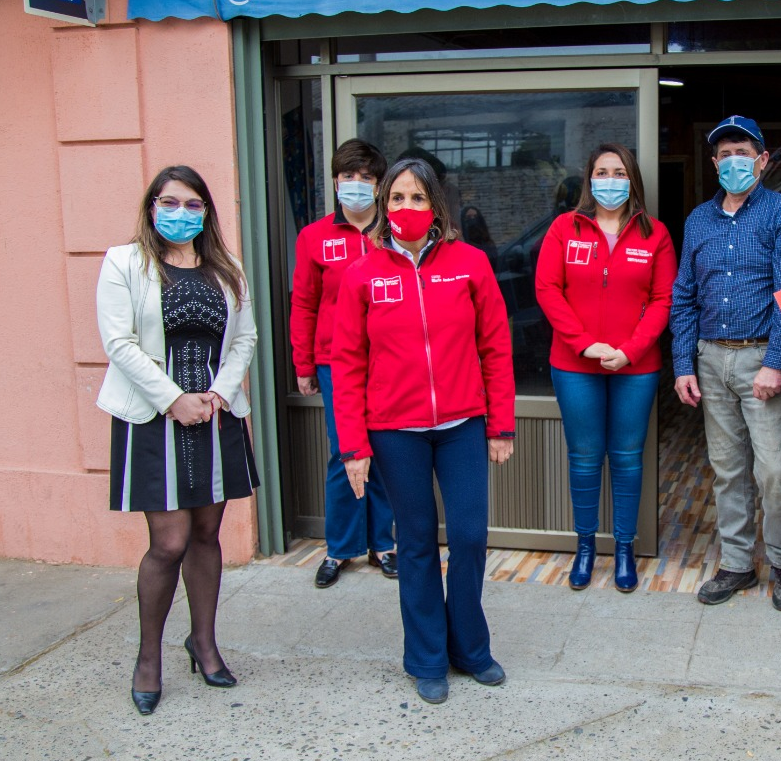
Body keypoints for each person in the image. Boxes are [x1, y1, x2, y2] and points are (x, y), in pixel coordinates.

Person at [332, 158, 515, 705]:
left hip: (462, 425)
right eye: (397, 198)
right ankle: (427, 657)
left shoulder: (470, 263)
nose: (406, 207)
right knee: (414, 543)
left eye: (417, 198)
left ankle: (470, 648)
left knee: (469, 536)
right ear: (383, 205)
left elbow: (495, 346)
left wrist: (501, 424)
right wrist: (353, 447)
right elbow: (347, 364)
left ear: (436, 205)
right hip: (395, 431)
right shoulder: (362, 274)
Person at [96, 165, 260, 715]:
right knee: (168, 543)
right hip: (152, 416)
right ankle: (149, 659)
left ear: (206, 212)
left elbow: (245, 338)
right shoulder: (124, 262)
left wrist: (217, 393)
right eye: (170, 203)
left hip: (215, 415)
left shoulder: (227, 267)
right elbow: (119, 342)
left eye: (193, 205)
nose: (181, 214)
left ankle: (204, 644)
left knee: (207, 535)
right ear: (152, 207)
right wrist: (174, 399)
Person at [670, 116, 781, 611]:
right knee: (727, 469)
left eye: (743, 153)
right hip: (710, 357)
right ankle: (736, 563)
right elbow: (684, 295)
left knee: (772, 470)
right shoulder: (698, 220)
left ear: (763, 160)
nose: (734, 161)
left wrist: (775, 361)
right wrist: (683, 364)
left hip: (761, 356)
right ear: (714, 163)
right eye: (725, 154)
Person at [535, 142, 677, 593]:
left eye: (619, 172)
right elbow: (547, 289)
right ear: (589, 178)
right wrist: (584, 345)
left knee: (628, 458)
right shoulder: (565, 228)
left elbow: (664, 299)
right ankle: (584, 547)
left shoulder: (655, 234)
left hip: (635, 367)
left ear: (632, 180)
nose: (610, 180)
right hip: (575, 365)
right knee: (583, 458)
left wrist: (630, 350)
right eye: (602, 172)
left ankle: (624, 548)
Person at [290, 138, 397, 588]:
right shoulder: (315, 237)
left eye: (366, 177)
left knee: (386, 451)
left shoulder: (393, 233)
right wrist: (303, 363)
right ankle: (340, 547)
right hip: (335, 362)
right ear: (335, 181)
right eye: (347, 176)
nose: (356, 184)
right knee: (345, 451)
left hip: (389, 360)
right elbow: (304, 303)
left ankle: (383, 543)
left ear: (379, 184)